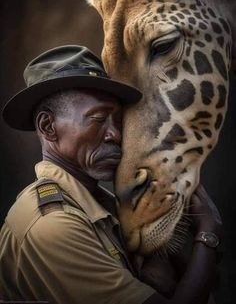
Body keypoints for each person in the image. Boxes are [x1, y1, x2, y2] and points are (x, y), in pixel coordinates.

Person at [0, 45, 222, 304]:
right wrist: (209, 234)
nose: (115, 134)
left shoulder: (103, 206)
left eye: (117, 120)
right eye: (97, 119)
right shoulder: (51, 224)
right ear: (48, 127)